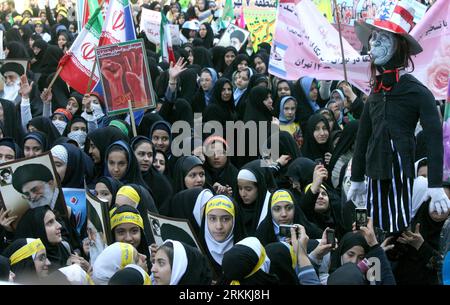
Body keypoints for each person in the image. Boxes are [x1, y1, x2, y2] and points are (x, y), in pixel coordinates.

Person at [349, 2, 449, 233]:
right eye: (374, 38)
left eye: (383, 38)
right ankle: (369, 256)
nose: (374, 44)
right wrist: (356, 177)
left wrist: (435, 185)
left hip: (399, 172)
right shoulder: (375, 91)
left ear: (399, 47)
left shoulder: (417, 91)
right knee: (365, 224)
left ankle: (388, 257)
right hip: (373, 171)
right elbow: (363, 136)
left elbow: (434, 140)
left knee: (397, 226)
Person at [199, 195, 246, 280]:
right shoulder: (197, 254)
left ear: (235, 220)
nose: (219, 226)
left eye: (225, 219)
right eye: (212, 218)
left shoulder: (247, 254)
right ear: (205, 221)